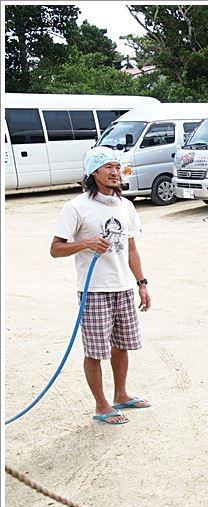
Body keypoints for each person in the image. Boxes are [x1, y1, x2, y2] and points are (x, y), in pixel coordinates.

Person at [50, 147, 152, 425]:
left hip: (122, 288)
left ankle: (121, 395)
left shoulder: (126, 206)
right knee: (95, 351)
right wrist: (85, 243)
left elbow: (131, 249)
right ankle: (101, 405)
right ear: (93, 173)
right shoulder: (76, 207)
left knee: (122, 346)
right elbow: (56, 249)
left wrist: (141, 283)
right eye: (107, 167)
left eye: (117, 167)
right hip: (93, 291)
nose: (114, 172)